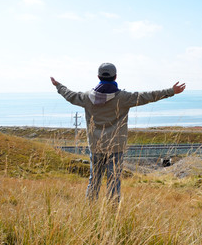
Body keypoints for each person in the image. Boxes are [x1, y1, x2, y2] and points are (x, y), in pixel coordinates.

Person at [50, 63, 186, 203]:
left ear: (98, 77)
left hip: (96, 146)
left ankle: (89, 210)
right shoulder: (123, 98)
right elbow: (147, 96)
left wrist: (58, 86)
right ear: (115, 76)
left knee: (94, 180)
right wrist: (171, 91)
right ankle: (112, 212)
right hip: (116, 147)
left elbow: (69, 95)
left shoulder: (87, 97)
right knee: (114, 182)